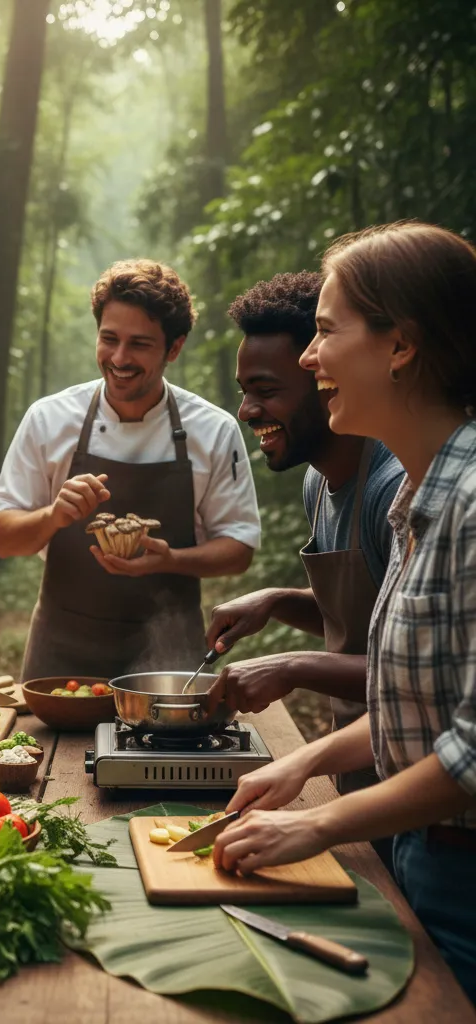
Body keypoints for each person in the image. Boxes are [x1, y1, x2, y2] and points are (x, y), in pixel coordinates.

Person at [212, 222, 476, 1001]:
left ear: (400, 347)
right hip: (421, 853)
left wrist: (322, 822)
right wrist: (301, 764)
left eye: (325, 331)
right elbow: (418, 711)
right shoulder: (422, 502)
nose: (306, 356)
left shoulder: (470, 504)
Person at [0, 259, 260, 681]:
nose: (119, 358)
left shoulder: (213, 430)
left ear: (174, 347)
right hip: (60, 654)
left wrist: (170, 559)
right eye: (109, 338)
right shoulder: (50, 418)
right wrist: (53, 515)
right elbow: (2, 538)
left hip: (171, 656)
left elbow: (239, 548)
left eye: (139, 344)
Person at [206, 273, 404, 824]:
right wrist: (276, 601)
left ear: (325, 377)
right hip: (357, 766)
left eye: (266, 391)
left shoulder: (392, 490)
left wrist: (293, 667)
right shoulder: (318, 482)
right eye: (246, 391)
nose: (247, 411)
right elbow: (366, 620)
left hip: (415, 783)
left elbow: (415, 673)